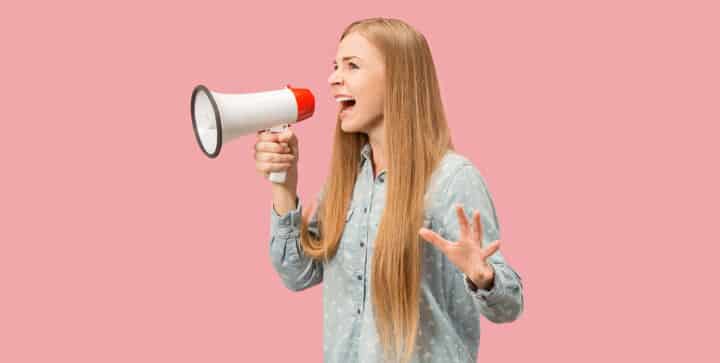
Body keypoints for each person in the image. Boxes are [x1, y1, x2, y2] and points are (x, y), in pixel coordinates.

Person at [255, 17, 524, 363]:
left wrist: (483, 277)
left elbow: (509, 306)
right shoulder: (346, 181)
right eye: (335, 66)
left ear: (399, 79)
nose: (334, 78)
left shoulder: (452, 180)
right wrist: (285, 185)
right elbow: (298, 274)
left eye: (352, 66)